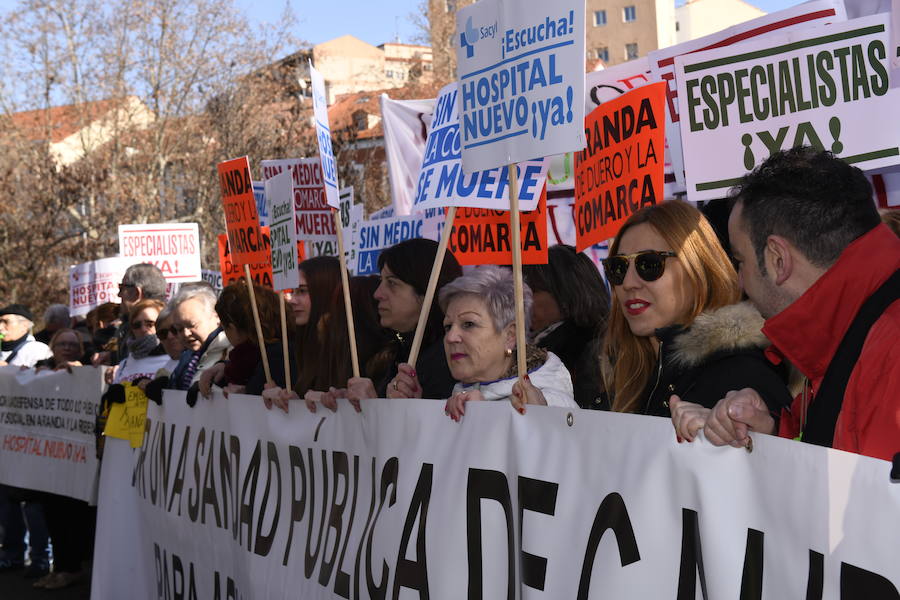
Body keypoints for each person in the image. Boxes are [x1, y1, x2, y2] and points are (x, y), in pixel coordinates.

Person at [678, 148, 900, 461]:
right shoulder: (846, 329)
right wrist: (768, 431)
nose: (740, 281)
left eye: (739, 261)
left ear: (778, 260)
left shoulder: (888, 349)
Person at [600, 201, 792, 422]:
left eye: (649, 264)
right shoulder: (618, 378)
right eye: (618, 268)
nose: (628, 283)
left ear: (697, 269)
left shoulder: (743, 378)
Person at [439, 265, 577, 419]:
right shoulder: (452, 394)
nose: (451, 337)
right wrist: (412, 407)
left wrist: (487, 416)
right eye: (448, 326)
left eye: (469, 324)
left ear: (510, 336)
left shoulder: (546, 402)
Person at [347, 238, 462, 403]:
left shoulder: (450, 359)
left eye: (392, 283)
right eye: (381, 281)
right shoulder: (399, 350)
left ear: (426, 290)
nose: (377, 294)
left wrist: (373, 406)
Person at [523, 244, 610, 409]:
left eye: (533, 290)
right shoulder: (529, 346)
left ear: (564, 294)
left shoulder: (593, 350)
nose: (524, 299)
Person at [0, 304, 51, 578]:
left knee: (32, 502)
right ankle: (12, 553)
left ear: (26, 324)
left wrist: (8, 372)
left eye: (6, 322)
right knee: (6, 501)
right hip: (5, 438)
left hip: (29, 439)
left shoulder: (38, 351)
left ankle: (41, 556)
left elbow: (42, 385)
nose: (1, 327)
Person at [200, 281, 295, 397]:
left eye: (224, 328)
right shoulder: (241, 362)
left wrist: (247, 393)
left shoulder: (276, 357)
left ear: (232, 328)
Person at [93, 263, 167, 366]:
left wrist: (121, 369)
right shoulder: (125, 326)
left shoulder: (169, 329)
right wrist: (112, 357)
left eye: (121, 288)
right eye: (136, 325)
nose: (119, 294)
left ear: (137, 293)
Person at [167, 284, 231, 393]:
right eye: (179, 328)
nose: (186, 333)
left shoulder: (231, 350)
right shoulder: (186, 357)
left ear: (216, 316)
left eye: (192, 325)